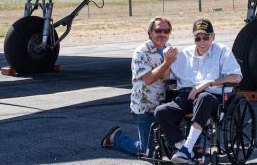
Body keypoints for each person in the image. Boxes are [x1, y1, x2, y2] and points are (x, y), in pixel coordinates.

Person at [154, 18, 242, 164]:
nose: (202, 42)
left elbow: (237, 77)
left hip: (211, 96)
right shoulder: (185, 54)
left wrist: (209, 82)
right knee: (161, 112)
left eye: (206, 38)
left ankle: (187, 149)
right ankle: (186, 149)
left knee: (204, 98)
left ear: (213, 36)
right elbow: (165, 77)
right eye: (198, 38)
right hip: (187, 96)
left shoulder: (222, 51)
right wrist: (167, 61)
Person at [101, 17, 178, 157]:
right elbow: (148, 79)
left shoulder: (168, 49)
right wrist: (167, 63)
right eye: (158, 30)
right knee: (149, 153)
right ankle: (115, 137)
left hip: (163, 106)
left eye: (166, 31)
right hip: (145, 107)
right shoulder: (141, 52)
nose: (162, 34)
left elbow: (166, 78)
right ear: (150, 33)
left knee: (165, 147)